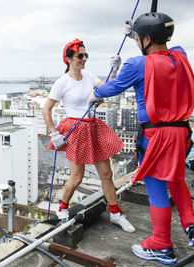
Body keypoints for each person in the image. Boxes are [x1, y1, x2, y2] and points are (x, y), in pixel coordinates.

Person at [89, 12, 194, 265]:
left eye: (139, 38)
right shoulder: (181, 56)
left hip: (157, 135)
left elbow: (112, 88)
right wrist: (138, 33)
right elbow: (166, 49)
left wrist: (96, 93)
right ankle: (191, 227)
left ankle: (161, 245)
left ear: (146, 38)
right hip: (182, 132)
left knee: (156, 187)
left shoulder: (137, 64)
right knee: (177, 178)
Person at [42, 38, 136, 233]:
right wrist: (53, 132)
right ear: (68, 59)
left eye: (86, 55)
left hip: (93, 128)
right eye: (80, 56)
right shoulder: (62, 83)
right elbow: (46, 109)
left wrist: (115, 70)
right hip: (76, 129)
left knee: (107, 174)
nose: (84, 59)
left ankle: (116, 213)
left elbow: (110, 88)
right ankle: (62, 209)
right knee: (76, 178)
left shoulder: (90, 76)